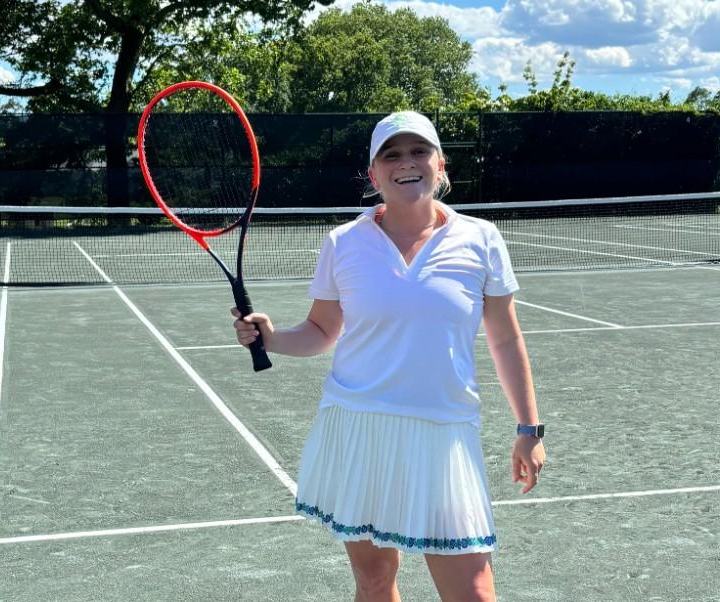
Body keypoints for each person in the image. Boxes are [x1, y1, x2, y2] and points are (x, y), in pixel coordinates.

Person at [231, 111, 545, 601]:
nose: (407, 164)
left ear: (440, 165)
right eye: (392, 155)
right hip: (360, 429)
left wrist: (528, 429)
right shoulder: (343, 243)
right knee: (376, 581)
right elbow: (321, 331)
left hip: (444, 435)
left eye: (419, 151)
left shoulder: (481, 239)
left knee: (475, 591)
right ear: (373, 174)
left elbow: (506, 339)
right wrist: (270, 338)